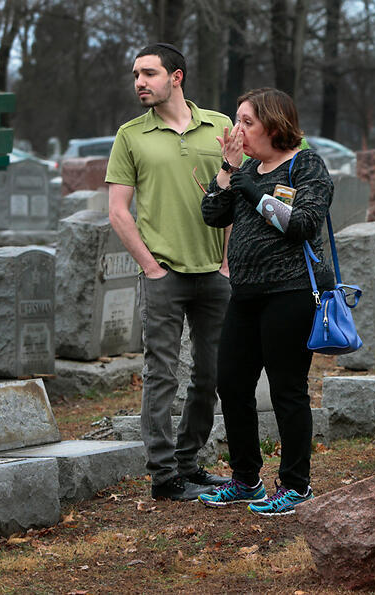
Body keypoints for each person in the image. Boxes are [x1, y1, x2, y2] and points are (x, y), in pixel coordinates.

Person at [198, 87, 333, 516]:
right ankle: (246, 479)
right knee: (232, 384)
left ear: (275, 125)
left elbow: (302, 224)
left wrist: (250, 187)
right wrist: (229, 169)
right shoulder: (247, 168)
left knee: (287, 390)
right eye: (237, 121)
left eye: (246, 122)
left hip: (290, 293)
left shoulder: (305, 164)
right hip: (246, 294)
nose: (237, 130)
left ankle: (296, 485)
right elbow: (212, 215)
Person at [106, 43, 232, 501]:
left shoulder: (220, 126)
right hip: (163, 275)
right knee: (161, 375)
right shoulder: (130, 135)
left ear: (176, 77)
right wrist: (150, 267)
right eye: (135, 74)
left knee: (211, 374)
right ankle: (163, 476)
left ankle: (189, 463)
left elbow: (236, 193)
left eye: (148, 73)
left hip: (214, 274)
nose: (139, 82)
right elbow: (118, 211)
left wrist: (226, 261)